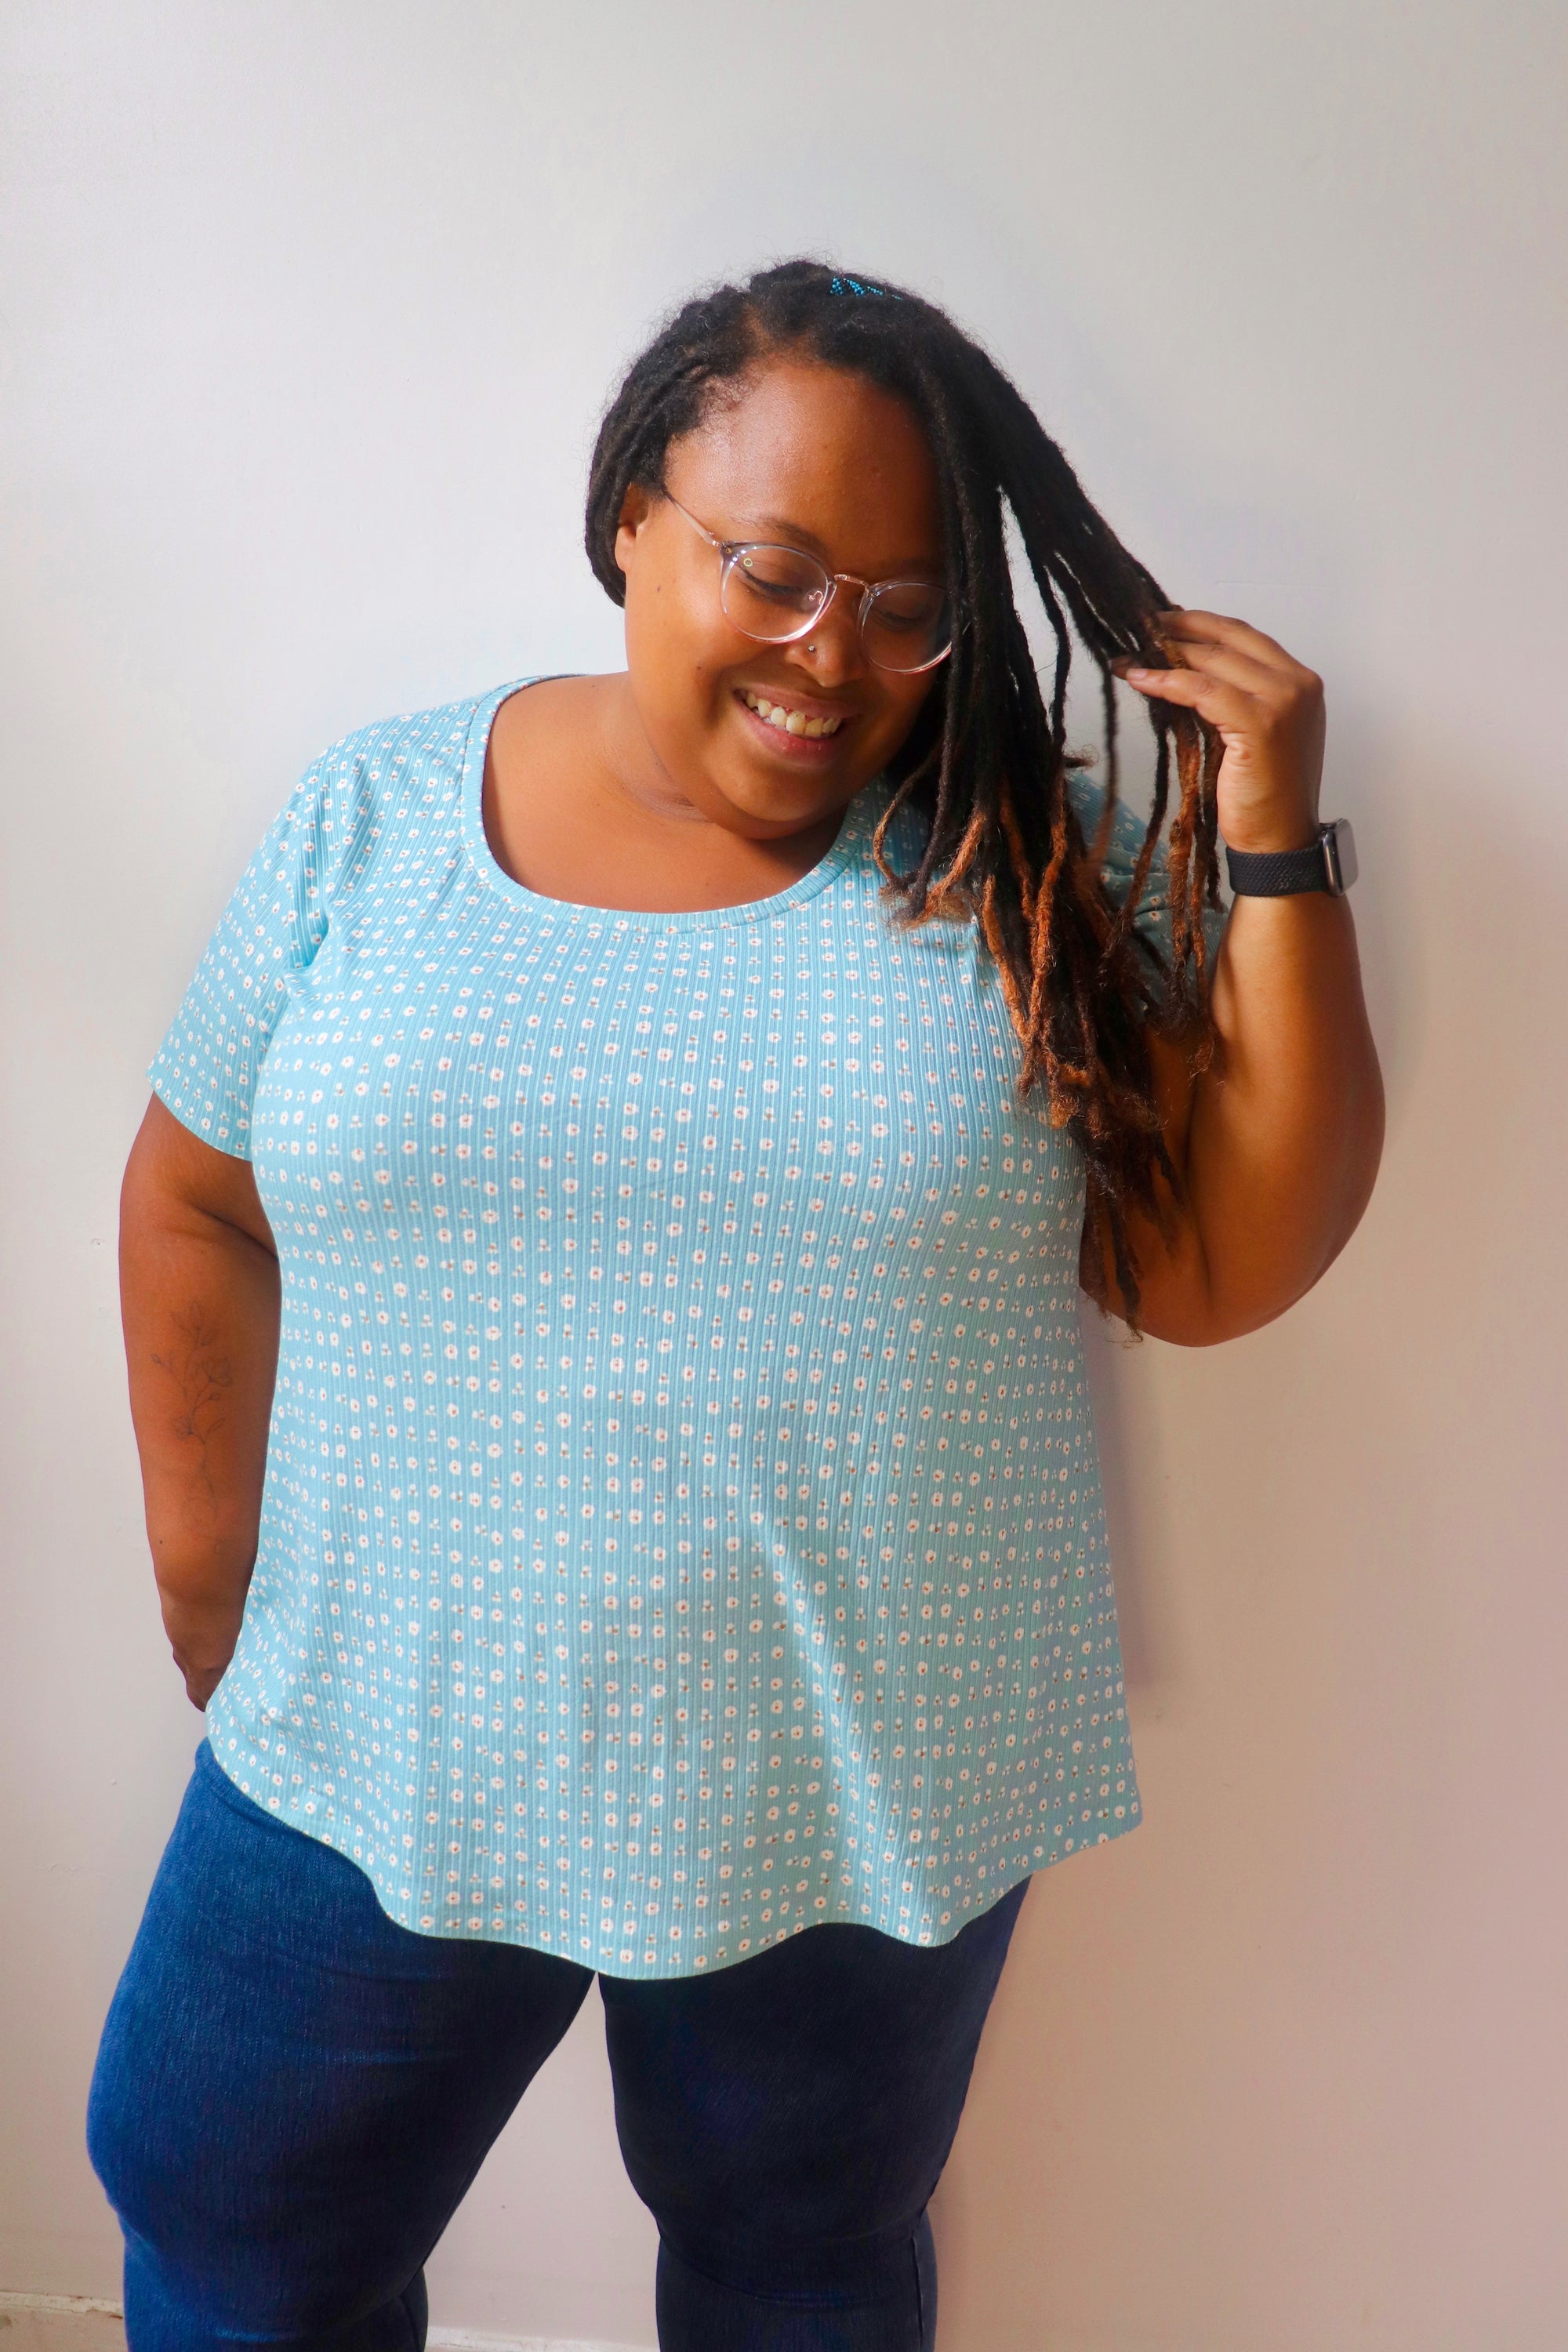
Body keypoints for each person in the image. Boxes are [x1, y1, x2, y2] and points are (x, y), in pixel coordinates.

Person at [87, 258, 1383, 2351]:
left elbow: (1221, 1268)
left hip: (856, 1775)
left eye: (907, 604)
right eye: (774, 569)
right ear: (632, 515)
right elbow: (193, 1195)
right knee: (223, 2211)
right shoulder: (377, 814)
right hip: (369, 1727)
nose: (831, 654)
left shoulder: (1009, 866)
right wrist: (206, 1563)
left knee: (798, 2275)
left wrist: (1271, 849)